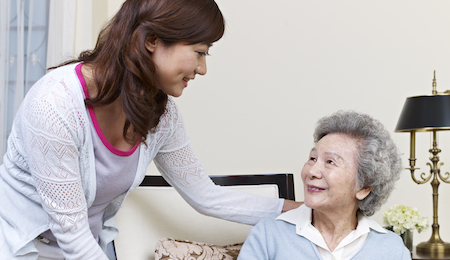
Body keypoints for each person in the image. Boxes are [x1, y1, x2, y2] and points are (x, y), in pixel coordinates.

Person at [0, 0, 302, 259]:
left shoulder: (161, 115)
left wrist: (302, 209)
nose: (202, 68)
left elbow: (207, 197)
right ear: (152, 41)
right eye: (200, 52)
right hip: (21, 249)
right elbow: (73, 236)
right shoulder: (54, 105)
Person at [237, 111, 411, 260]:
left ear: (364, 187)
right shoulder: (268, 235)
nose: (312, 171)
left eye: (330, 162)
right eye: (312, 158)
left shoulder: (391, 250)